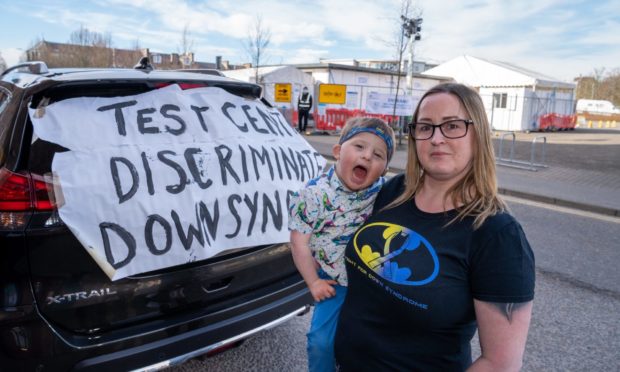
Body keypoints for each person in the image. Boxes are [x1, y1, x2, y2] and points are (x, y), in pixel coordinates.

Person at [334, 83, 536, 371]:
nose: (436, 138)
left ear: (477, 134)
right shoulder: (394, 190)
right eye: (426, 127)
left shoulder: (498, 236)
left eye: (452, 126)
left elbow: (500, 364)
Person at [288, 117, 395, 372]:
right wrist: (313, 282)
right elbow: (298, 243)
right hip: (335, 283)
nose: (367, 156)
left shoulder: (385, 191)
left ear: (384, 169)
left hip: (373, 282)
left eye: (378, 154)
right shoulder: (313, 195)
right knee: (321, 343)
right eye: (359, 147)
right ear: (338, 151)